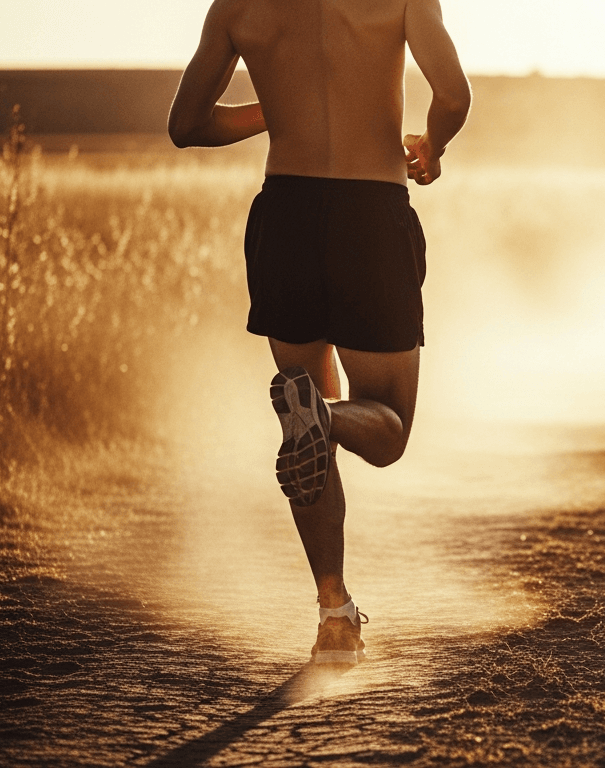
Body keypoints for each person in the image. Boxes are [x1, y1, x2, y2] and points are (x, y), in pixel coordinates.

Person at [167, 0, 471, 664]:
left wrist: (277, 110)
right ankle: (327, 419)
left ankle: (335, 613)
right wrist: (432, 146)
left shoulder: (237, 6)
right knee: (384, 426)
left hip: (287, 218)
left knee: (300, 414)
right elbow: (452, 94)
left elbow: (185, 125)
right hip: (371, 210)